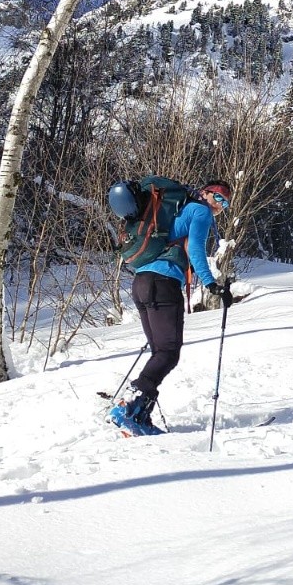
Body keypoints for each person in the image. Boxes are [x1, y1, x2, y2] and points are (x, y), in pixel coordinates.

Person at [110, 179, 235, 435]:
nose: (221, 205)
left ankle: (139, 416)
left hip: (142, 284)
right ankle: (128, 406)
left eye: (226, 202)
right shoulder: (199, 210)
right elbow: (197, 250)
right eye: (219, 197)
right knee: (168, 353)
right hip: (163, 283)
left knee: (160, 352)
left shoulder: (176, 212)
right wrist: (212, 284)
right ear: (205, 193)